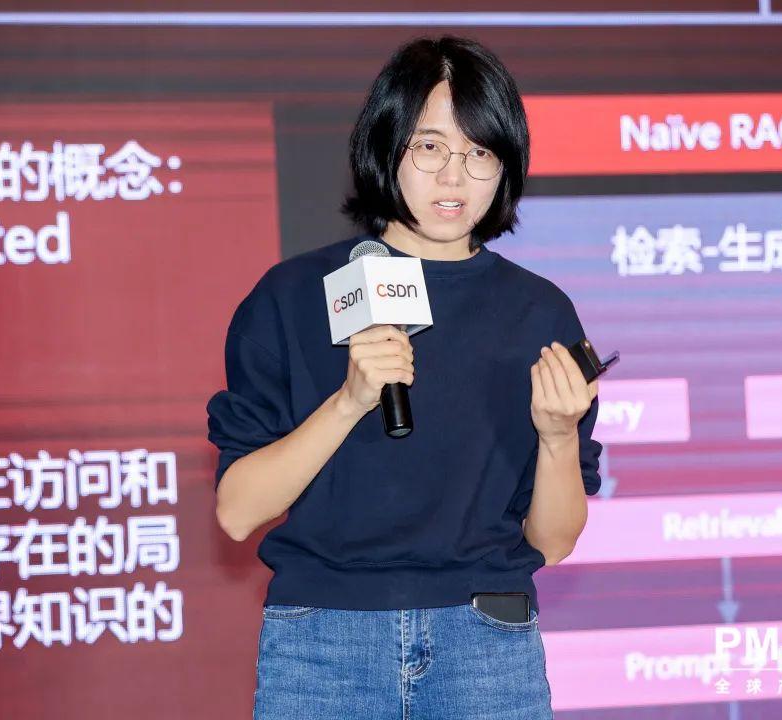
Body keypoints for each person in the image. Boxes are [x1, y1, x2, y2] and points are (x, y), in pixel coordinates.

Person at [206, 34, 602, 720]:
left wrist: (559, 434)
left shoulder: (539, 312)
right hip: (323, 646)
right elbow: (237, 512)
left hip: (486, 645)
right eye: (430, 147)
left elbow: (553, 541)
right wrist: (349, 400)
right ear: (386, 145)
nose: (455, 178)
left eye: (480, 153)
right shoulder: (292, 296)